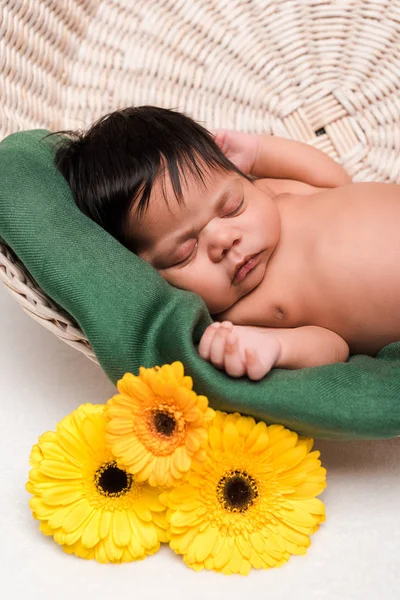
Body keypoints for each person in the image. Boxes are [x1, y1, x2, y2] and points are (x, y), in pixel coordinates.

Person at [54, 106, 400, 380]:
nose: (224, 239)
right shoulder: (240, 315)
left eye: (232, 206)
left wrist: (260, 151)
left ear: (240, 177)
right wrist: (274, 347)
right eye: (185, 252)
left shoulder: (273, 191)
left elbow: (336, 179)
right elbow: (332, 348)